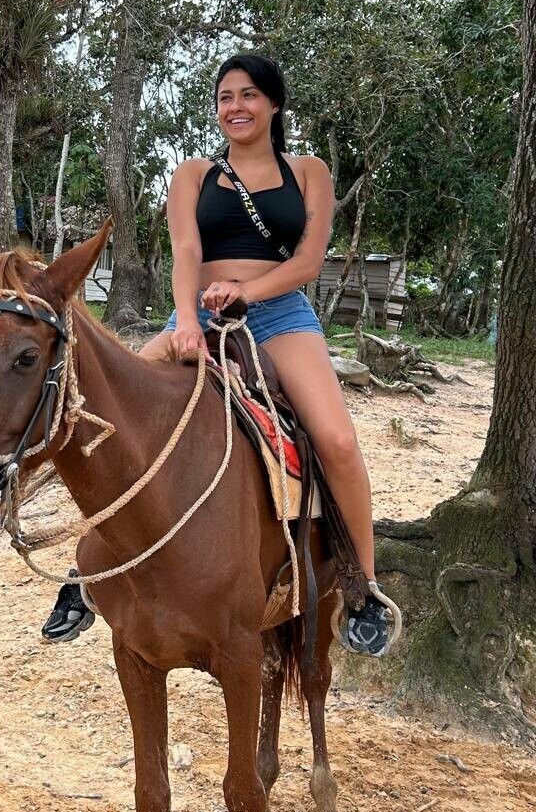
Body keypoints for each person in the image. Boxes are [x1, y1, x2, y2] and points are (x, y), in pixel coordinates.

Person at [42, 52, 397, 655]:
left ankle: (363, 587)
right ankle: (88, 569)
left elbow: (308, 261)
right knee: (105, 418)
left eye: (249, 94)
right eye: (226, 96)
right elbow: (185, 249)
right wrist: (185, 319)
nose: (236, 106)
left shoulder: (308, 172)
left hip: (280, 316)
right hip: (197, 315)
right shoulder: (193, 174)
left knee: (337, 441)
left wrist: (246, 292)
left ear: (274, 104)